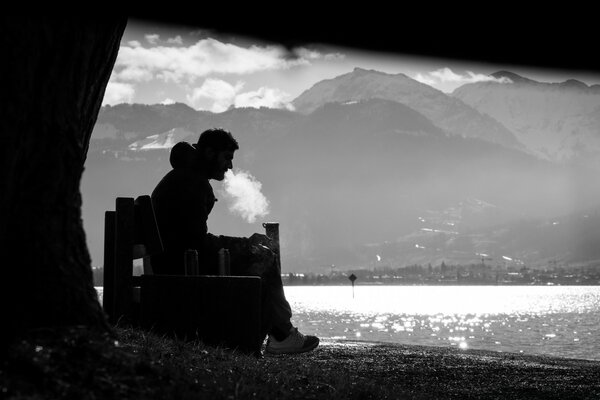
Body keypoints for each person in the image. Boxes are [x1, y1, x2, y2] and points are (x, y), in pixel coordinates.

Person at [150, 128, 319, 355]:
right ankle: (280, 335)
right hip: (182, 268)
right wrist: (244, 245)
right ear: (210, 153)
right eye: (227, 158)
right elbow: (197, 243)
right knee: (264, 257)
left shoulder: (182, 177)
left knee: (256, 254)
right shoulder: (193, 183)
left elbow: (193, 239)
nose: (229, 166)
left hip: (170, 264)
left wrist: (241, 244)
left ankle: (274, 334)